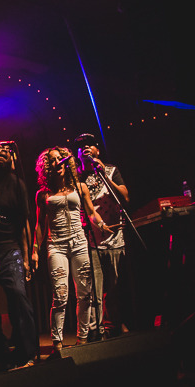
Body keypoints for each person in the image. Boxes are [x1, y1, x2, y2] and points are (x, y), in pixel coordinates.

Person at [32, 146, 112, 352]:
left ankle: (82, 340)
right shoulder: (43, 194)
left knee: (85, 294)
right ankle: (57, 344)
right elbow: (40, 225)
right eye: (52, 160)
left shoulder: (79, 186)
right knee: (60, 295)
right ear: (47, 166)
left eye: (60, 158)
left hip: (79, 243)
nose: (58, 162)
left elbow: (91, 212)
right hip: (56, 245)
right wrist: (34, 250)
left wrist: (102, 225)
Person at [0, 144, 37, 368]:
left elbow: (24, 222)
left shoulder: (17, 184)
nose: (1, 154)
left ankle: (26, 352)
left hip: (9, 249)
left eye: (6, 153)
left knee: (18, 295)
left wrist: (26, 257)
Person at [75, 133, 130, 339]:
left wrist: (104, 175)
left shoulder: (111, 170)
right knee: (95, 289)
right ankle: (97, 330)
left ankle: (115, 323)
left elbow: (125, 197)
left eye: (89, 145)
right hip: (91, 239)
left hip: (115, 237)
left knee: (114, 287)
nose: (85, 148)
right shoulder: (77, 178)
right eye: (81, 147)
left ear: (97, 149)